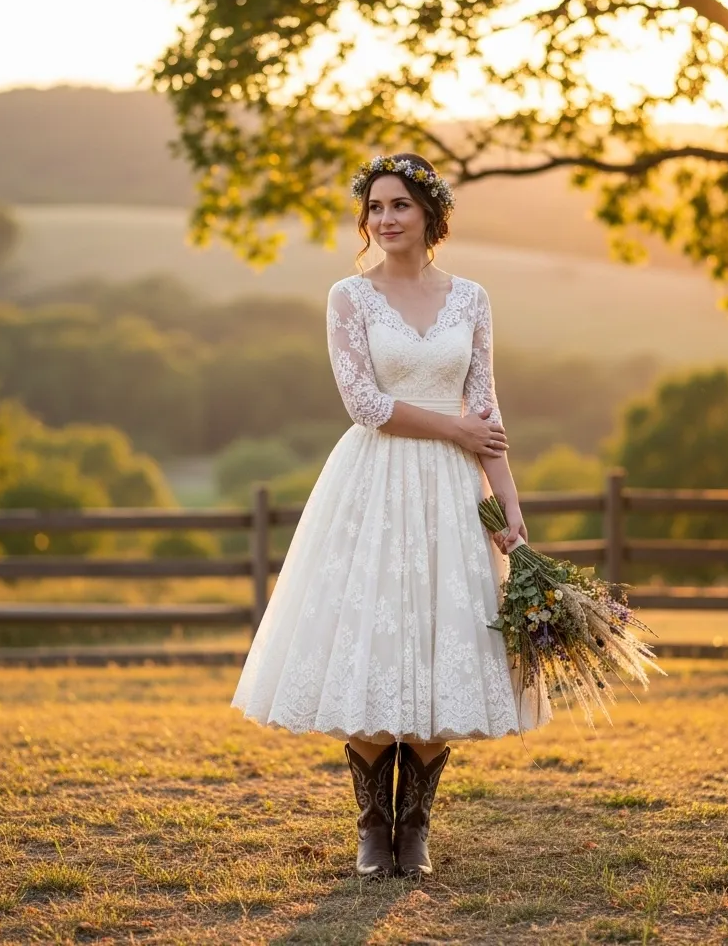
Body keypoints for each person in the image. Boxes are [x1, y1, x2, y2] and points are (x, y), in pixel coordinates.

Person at [231, 152, 551, 878]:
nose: (384, 219)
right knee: (377, 640)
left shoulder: (471, 298)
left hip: (452, 495)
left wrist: (511, 513)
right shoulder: (349, 296)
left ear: (430, 215)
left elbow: (487, 408)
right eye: (374, 207)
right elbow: (366, 406)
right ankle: (373, 827)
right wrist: (457, 431)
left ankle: (417, 827)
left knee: (446, 643)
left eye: (399, 205)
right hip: (373, 485)